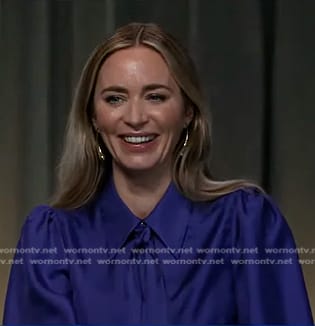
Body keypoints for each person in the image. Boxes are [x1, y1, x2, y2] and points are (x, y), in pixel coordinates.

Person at [3, 22, 313, 324]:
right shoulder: (51, 240)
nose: (135, 117)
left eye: (156, 97)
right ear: (94, 117)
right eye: (115, 98)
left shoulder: (246, 226)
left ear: (187, 112)